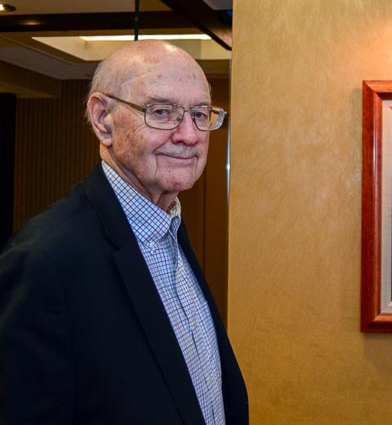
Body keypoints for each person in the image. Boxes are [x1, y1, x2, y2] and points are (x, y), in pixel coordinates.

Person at [0, 40, 248, 424]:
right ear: (103, 119)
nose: (189, 135)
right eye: (162, 112)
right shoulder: (43, 261)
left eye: (200, 114)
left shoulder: (168, 227)